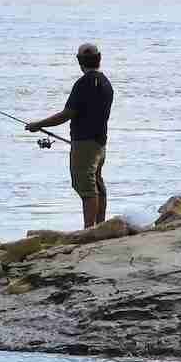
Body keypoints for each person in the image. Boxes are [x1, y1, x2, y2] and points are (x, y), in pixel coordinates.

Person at [26, 43, 114, 229]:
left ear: (79, 62)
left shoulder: (83, 84)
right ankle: (100, 226)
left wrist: (38, 124)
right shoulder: (106, 83)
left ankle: (89, 229)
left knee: (86, 186)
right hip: (100, 143)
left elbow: (67, 114)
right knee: (96, 183)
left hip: (84, 143)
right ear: (100, 59)